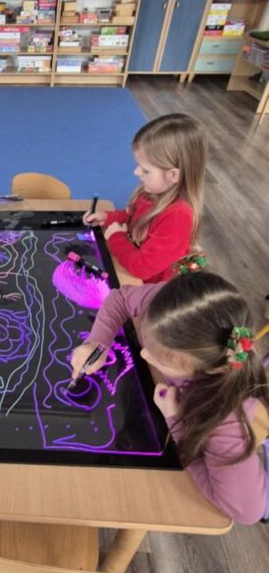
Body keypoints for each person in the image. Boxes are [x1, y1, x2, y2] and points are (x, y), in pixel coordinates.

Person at [70, 268, 269, 524]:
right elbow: (120, 298)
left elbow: (248, 512)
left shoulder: (223, 421)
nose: (144, 355)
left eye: (160, 358)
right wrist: (98, 342)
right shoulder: (172, 305)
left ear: (210, 369)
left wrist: (176, 422)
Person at [83, 113, 207, 282]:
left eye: (146, 170)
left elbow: (141, 268)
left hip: (150, 287)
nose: (136, 172)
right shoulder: (152, 191)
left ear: (173, 175)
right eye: (138, 165)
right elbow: (134, 218)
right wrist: (107, 218)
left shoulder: (178, 217)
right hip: (132, 265)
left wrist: (116, 237)